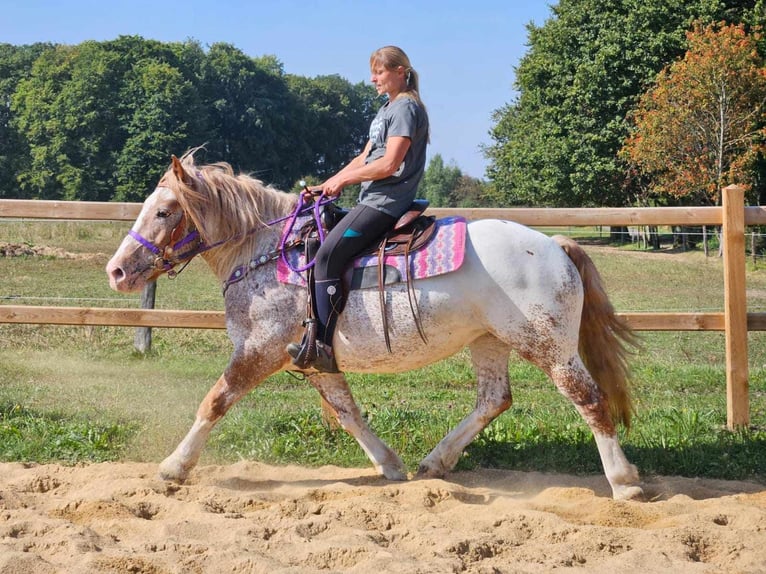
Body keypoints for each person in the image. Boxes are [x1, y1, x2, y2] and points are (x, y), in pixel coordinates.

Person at [287, 45, 430, 372]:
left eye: (379, 72)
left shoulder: (406, 108)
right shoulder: (386, 110)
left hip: (387, 202)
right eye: (373, 72)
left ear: (399, 72)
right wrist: (327, 184)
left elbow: (390, 164)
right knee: (315, 238)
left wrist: (345, 183)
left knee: (326, 257)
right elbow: (363, 159)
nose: (373, 79)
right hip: (370, 199)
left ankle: (322, 345)